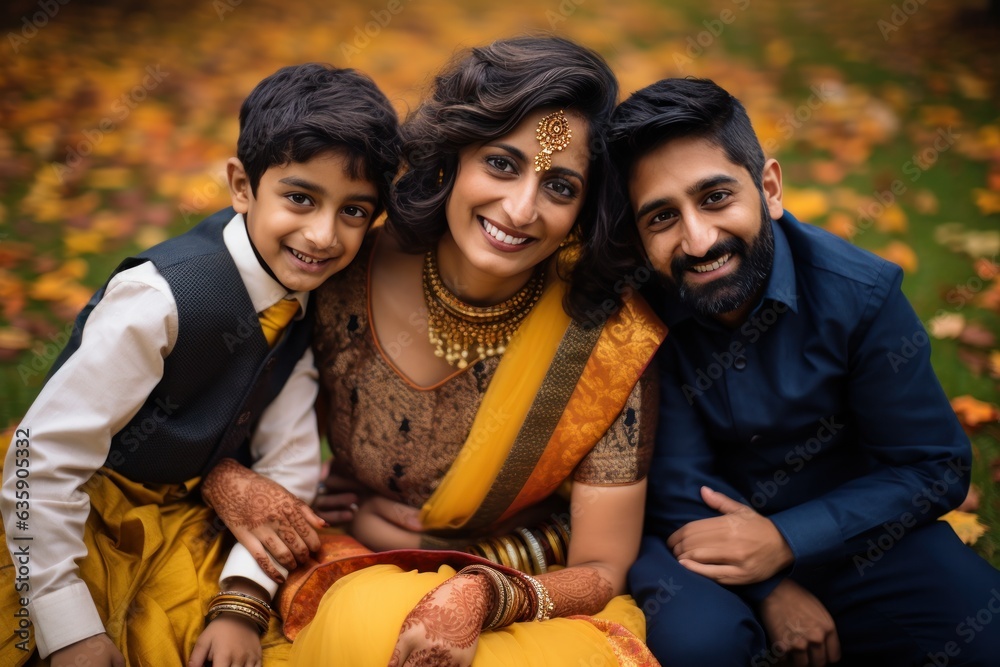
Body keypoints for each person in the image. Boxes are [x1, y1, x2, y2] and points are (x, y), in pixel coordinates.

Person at [203, 36, 667, 666]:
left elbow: (601, 566)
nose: (520, 208)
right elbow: (198, 392)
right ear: (452, 158)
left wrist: (478, 587)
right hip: (343, 556)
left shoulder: (605, 339)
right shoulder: (341, 259)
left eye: (559, 186)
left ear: (585, 209)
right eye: (501, 164)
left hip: (523, 593)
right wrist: (226, 478)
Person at [0, 63, 400, 667]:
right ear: (242, 186)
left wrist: (240, 601)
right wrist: (68, 626)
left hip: (192, 525)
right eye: (299, 198)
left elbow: (288, 462)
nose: (322, 235)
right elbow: (41, 459)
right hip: (77, 521)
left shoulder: (306, 300)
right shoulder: (160, 299)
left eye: (353, 212)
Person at [611, 77, 1000, 666]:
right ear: (639, 238)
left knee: (982, 629)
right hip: (692, 540)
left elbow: (932, 464)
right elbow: (674, 483)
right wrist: (771, 589)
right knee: (700, 646)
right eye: (662, 217)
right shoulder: (641, 312)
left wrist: (787, 541)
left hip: (858, 530)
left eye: (715, 197)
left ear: (768, 188)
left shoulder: (862, 296)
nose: (698, 239)